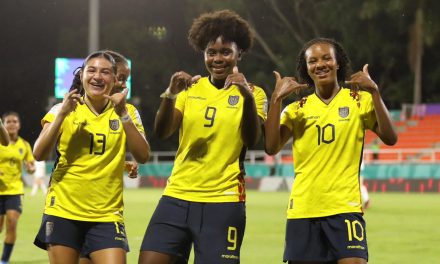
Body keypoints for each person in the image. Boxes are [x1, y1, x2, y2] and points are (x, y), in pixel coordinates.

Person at [139, 10, 267, 264]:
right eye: (211, 52)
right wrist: (170, 94)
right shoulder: (190, 89)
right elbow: (163, 131)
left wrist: (247, 99)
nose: (218, 59)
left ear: (239, 53)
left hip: (224, 200)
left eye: (225, 52)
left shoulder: (255, 93)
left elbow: (253, 140)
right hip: (177, 195)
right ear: (203, 54)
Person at [264, 38, 398, 263]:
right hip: (304, 210)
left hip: (345, 207)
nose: (320, 64)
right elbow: (271, 146)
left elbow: (390, 137)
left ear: (338, 63)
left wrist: (375, 92)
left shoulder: (358, 100)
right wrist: (276, 99)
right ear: (307, 68)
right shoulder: (297, 109)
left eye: (327, 58)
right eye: (313, 60)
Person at [33, 51, 150, 264]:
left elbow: (143, 156)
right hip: (63, 210)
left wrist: (122, 112)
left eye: (105, 72)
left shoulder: (128, 112)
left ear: (115, 80)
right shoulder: (63, 108)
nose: (98, 76)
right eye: (92, 70)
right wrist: (62, 114)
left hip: (107, 215)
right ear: (82, 75)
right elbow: (38, 153)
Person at [0, 112, 35, 264]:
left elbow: (31, 166)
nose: (12, 124)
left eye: (15, 121)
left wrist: (30, 168)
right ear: (3, 125)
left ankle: (4, 261)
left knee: (12, 224)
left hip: (15, 190)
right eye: (8, 121)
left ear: (19, 125)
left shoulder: (25, 145)